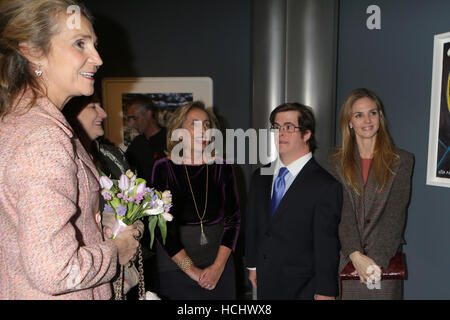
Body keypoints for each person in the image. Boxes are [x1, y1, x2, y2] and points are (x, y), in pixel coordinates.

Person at [0, 0, 139, 299]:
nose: (98, 58)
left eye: (94, 44)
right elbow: (56, 270)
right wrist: (116, 250)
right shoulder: (42, 136)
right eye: (80, 43)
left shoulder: (21, 121)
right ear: (33, 51)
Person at [245, 102, 342, 300]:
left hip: (304, 287)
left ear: (306, 134)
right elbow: (254, 224)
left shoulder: (326, 185)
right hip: (265, 281)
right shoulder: (260, 176)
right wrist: (253, 265)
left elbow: (326, 244)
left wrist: (325, 290)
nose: (280, 133)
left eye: (288, 127)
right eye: (276, 127)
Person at [151, 101, 241, 299]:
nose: (204, 130)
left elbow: (233, 221)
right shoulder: (164, 168)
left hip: (220, 264)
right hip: (175, 266)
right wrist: (192, 271)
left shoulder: (222, 167)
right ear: (178, 131)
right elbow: (162, 229)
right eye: (195, 123)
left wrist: (217, 268)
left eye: (207, 124)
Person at [330, 88, 414, 299]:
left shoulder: (402, 160)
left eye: (372, 112)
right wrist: (355, 256)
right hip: (345, 260)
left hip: (382, 262)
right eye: (359, 115)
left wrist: (373, 264)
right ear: (349, 122)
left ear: (380, 116)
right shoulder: (335, 162)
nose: (367, 120)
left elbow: (395, 215)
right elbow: (342, 214)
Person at [63, 94, 144, 297]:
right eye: (93, 107)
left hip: (123, 277)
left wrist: (133, 229)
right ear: (72, 114)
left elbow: (136, 201)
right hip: (86, 277)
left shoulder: (112, 157)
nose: (104, 113)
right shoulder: (63, 159)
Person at [125, 94, 167, 183]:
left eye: (134, 118)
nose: (132, 123)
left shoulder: (170, 140)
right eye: (129, 119)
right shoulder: (136, 143)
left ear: (148, 113)